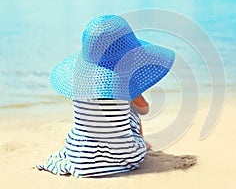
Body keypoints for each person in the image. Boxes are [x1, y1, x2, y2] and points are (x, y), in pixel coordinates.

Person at [37, 15, 175, 178]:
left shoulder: (78, 80)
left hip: (80, 157)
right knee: (133, 113)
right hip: (124, 158)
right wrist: (134, 94)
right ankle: (142, 144)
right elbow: (144, 110)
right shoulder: (126, 80)